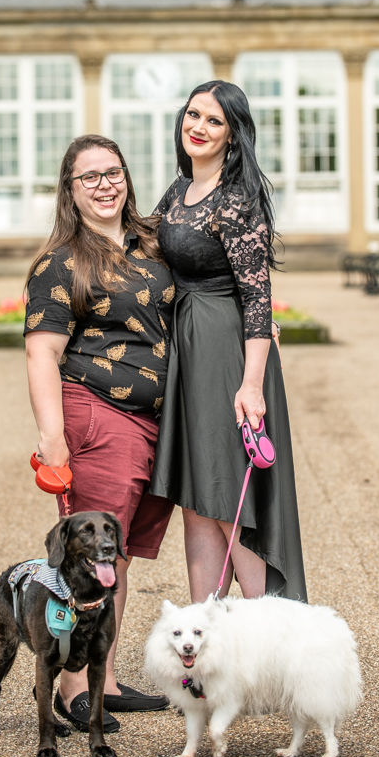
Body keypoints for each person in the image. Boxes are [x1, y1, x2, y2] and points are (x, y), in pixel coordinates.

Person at [24, 134, 175, 734]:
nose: (105, 184)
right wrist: (52, 439)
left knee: (118, 558)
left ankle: (103, 681)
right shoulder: (61, 262)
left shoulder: (151, 244)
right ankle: (73, 689)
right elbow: (42, 354)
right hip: (98, 414)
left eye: (113, 172)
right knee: (87, 563)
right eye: (89, 177)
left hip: (155, 423)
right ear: (70, 189)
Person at [149, 80, 307, 604]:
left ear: (233, 136)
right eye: (193, 114)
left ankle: (268, 635)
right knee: (199, 499)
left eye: (214, 120)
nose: (198, 127)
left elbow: (258, 297)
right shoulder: (179, 190)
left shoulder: (236, 201)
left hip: (225, 354)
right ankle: (206, 639)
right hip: (188, 351)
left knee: (228, 495)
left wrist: (252, 385)